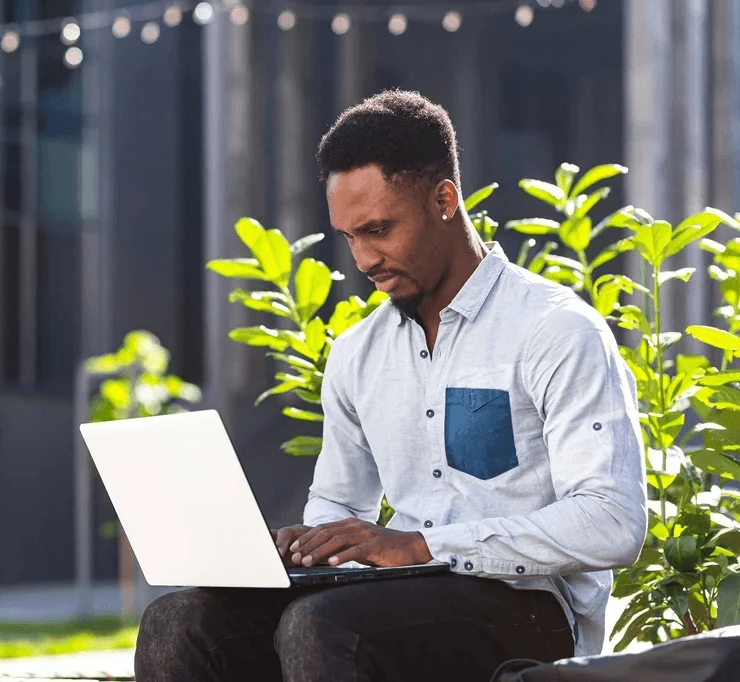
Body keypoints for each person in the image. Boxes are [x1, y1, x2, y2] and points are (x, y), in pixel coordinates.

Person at [134, 89, 648, 682]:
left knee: (323, 626)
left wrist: (420, 547)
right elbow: (338, 503)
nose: (364, 258)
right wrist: (310, 543)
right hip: (394, 602)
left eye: (379, 229)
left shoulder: (554, 329)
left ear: (444, 200)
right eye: (349, 236)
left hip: (531, 609)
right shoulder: (358, 354)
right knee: (179, 621)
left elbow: (613, 522)